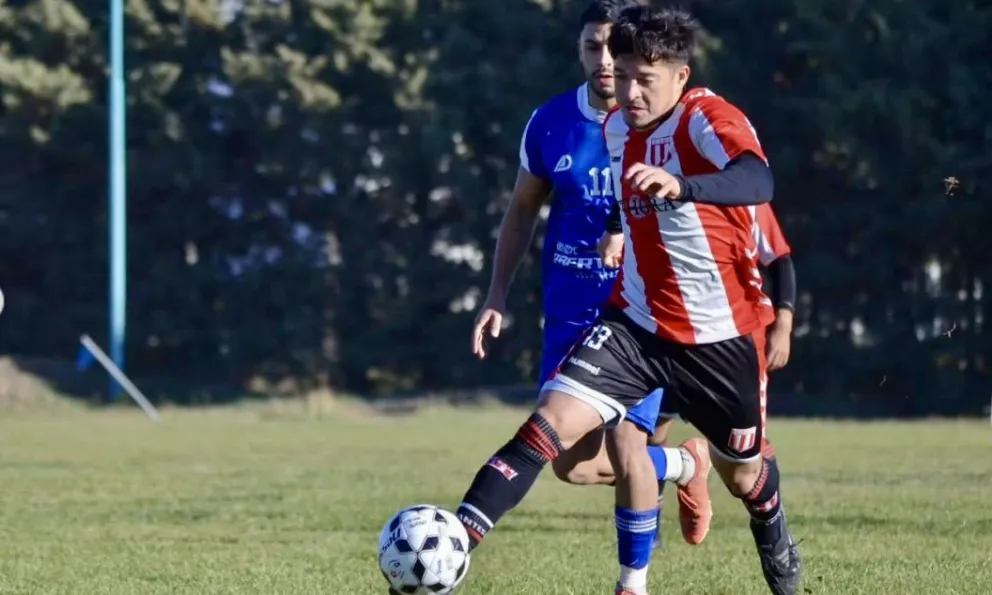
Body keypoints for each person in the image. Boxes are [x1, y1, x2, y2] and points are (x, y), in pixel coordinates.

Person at [454, 6, 801, 595]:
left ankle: (769, 522)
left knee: (744, 475)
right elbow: (623, 188)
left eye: (646, 78)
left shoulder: (706, 119)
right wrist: (620, 225)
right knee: (548, 429)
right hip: (634, 326)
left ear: (681, 78)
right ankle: (454, 542)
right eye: (626, 72)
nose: (630, 89)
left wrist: (684, 188)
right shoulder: (616, 127)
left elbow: (757, 180)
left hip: (717, 338)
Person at [470, 0, 711, 549]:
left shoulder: (666, 124)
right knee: (572, 467)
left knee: (628, 448)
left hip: (641, 316)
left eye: (612, 48)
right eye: (590, 47)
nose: (603, 60)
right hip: (569, 314)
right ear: (577, 50)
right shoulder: (550, 122)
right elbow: (520, 214)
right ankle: (681, 464)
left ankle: (633, 583)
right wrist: (496, 295)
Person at [601, 202, 796, 461]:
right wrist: (616, 234)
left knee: (744, 461)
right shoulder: (661, 185)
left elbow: (778, 258)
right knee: (646, 435)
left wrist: (783, 325)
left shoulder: (743, 189)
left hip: (733, 338)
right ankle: (680, 475)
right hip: (663, 333)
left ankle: (761, 495)